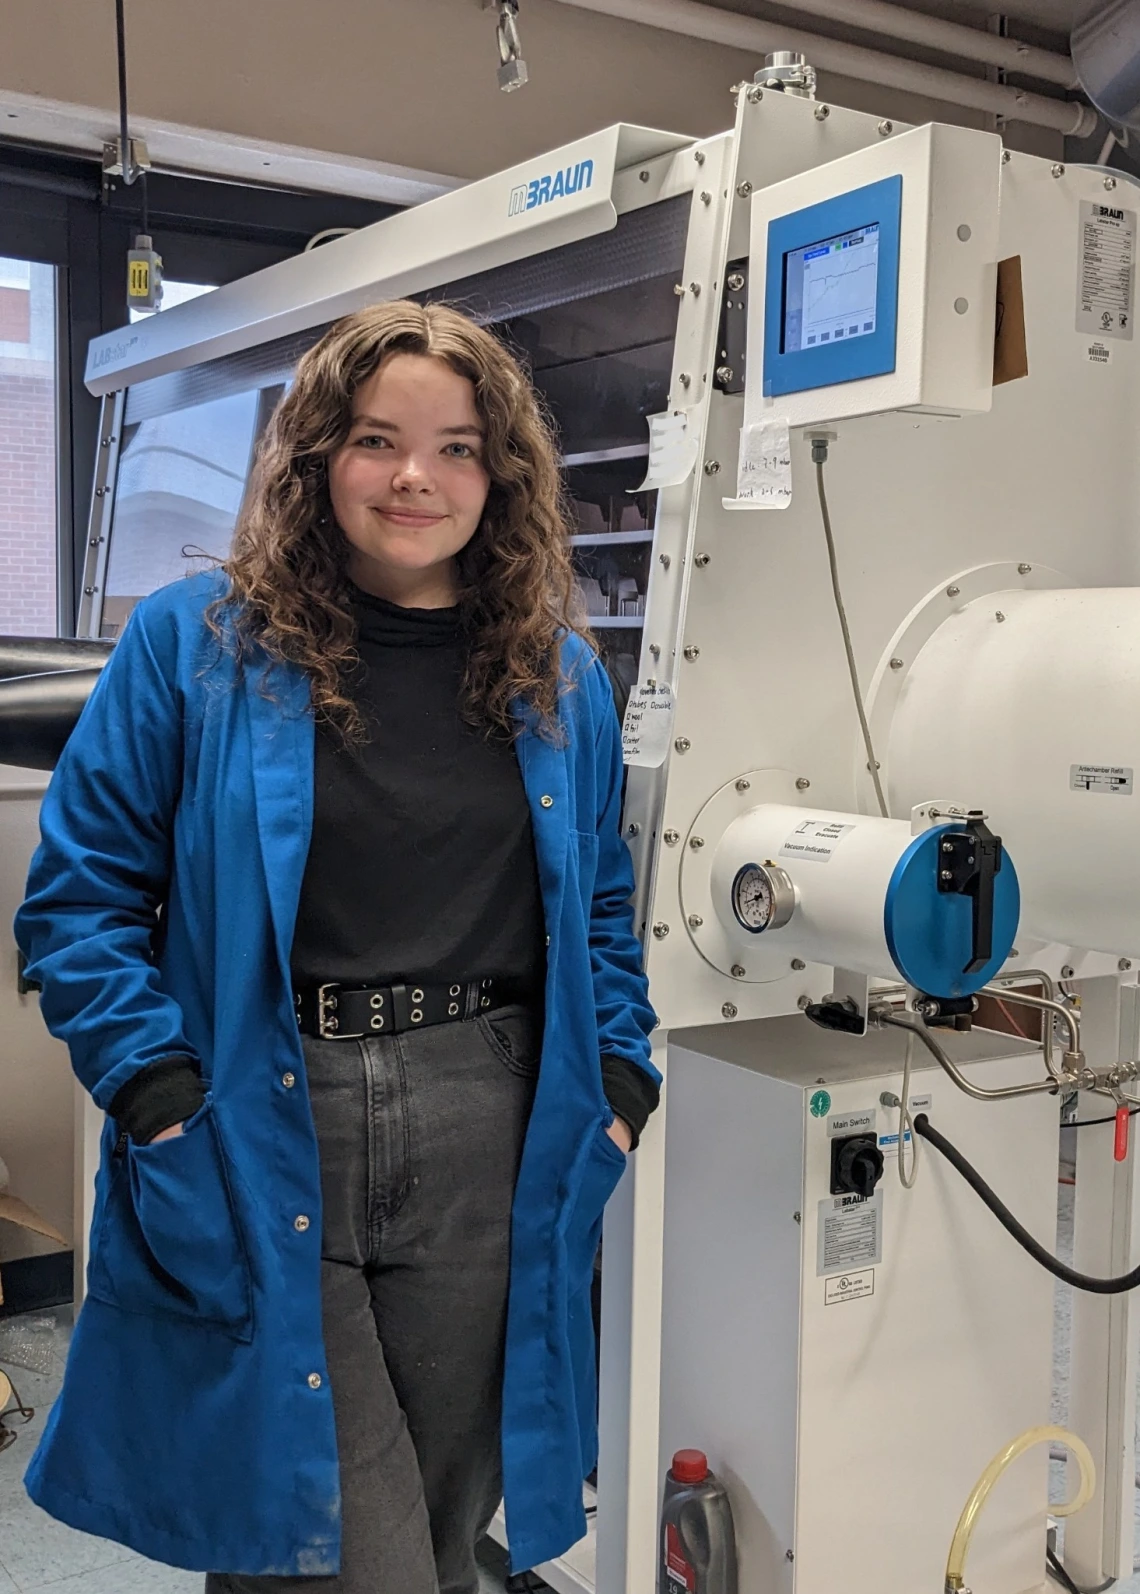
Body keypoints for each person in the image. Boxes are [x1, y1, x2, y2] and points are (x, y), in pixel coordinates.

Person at [14, 300, 659, 1594]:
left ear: (503, 473)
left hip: (494, 1118)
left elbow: (598, 907)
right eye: (378, 438)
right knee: (317, 1541)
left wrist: (627, 1081)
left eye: (460, 446)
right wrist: (158, 1097)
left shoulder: (557, 678)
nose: (417, 476)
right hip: (262, 1115)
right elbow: (77, 900)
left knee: (439, 1525)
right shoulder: (193, 643)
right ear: (317, 457)